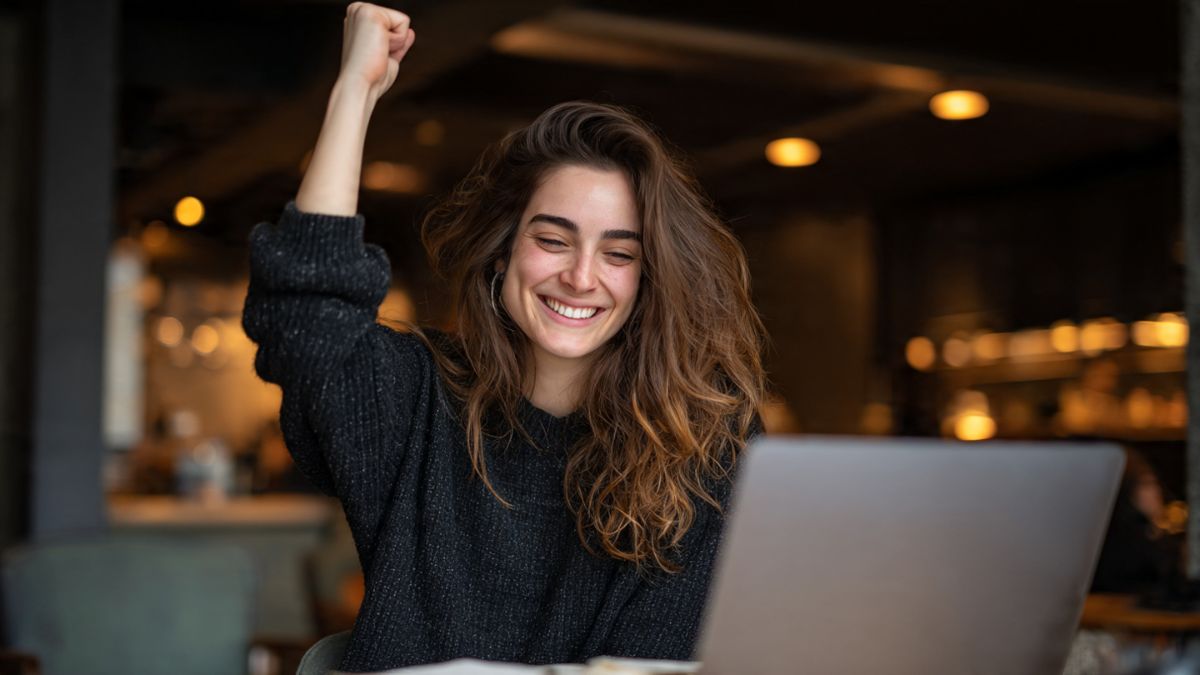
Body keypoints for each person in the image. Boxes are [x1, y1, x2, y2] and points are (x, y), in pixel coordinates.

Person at [242, 2, 766, 670]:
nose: (580, 276)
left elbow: (663, 660)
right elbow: (304, 323)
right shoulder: (413, 396)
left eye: (618, 253)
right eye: (552, 239)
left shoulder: (706, 441)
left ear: (649, 276)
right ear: (502, 252)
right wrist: (354, 92)